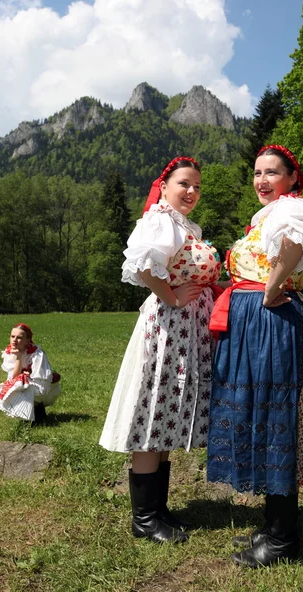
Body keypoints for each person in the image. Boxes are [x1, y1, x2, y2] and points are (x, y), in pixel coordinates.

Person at [207, 145, 303, 568]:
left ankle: (282, 538)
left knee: (275, 417)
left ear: (292, 177)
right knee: (259, 413)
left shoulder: (293, 208)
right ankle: (275, 523)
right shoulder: (271, 213)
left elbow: (293, 247)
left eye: (271, 173)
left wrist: (271, 290)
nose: (261, 180)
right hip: (255, 321)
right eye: (257, 173)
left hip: (270, 321)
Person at [99, 156, 221, 544]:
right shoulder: (161, 219)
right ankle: (145, 519)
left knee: (168, 414)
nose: (191, 192)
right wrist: (170, 295)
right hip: (167, 328)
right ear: (165, 186)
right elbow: (140, 264)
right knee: (154, 413)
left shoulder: (183, 224)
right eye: (184, 184)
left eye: (197, 187)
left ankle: (159, 510)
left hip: (184, 329)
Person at [0, 323, 61, 424]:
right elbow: (13, 377)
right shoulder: (10, 352)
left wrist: (25, 377)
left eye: (19, 338)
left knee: (20, 385)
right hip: (23, 384)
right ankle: (24, 414)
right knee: (11, 385)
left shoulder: (37, 355)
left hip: (38, 387)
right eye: (12, 336)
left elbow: (41, 383)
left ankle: (35, 411)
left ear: (27, 340)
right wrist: (18, 358)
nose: (14, 340)